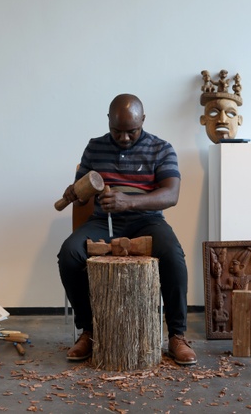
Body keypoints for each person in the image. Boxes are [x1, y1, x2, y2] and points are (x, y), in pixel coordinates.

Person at [57, 93, 197, 365]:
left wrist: (129, 202)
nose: (123, 138)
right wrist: (77, 192)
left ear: (143, 120)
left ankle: (177, 335)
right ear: (108, 121)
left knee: (173, 256)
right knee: (69, 254)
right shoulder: (94, 147)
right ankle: (89, 331)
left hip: (148, 220)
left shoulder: (161, 148)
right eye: (117, 131)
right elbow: (84, 190)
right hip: (103, 221)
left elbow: (171, 195)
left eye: (131, 131)